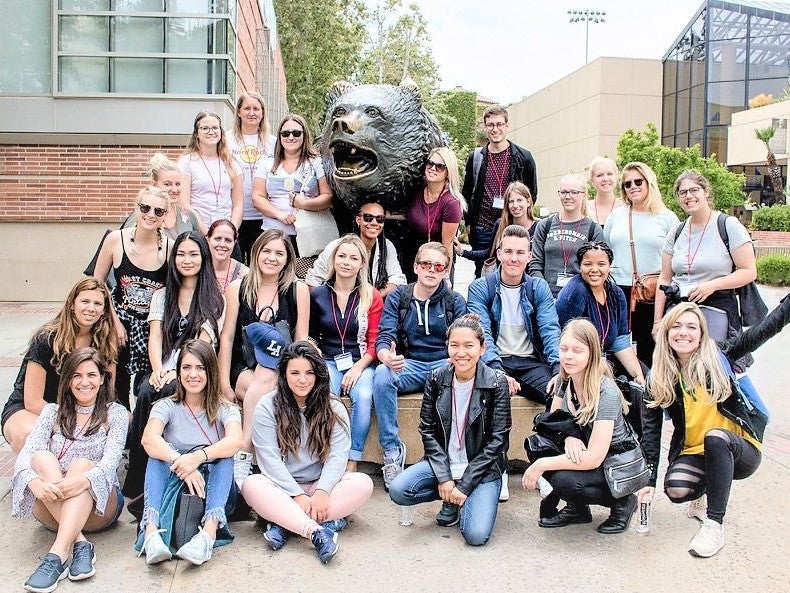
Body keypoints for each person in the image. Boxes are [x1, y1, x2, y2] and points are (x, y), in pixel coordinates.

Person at [642, 302, 762, 557]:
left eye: (691, 327)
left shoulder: (720, 357)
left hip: (740, 450)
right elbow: (651, 434)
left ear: (701, 333)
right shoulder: (660, 376)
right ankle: (704, 494)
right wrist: (648, 481)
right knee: (676, 489)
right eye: (676, 326)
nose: (683, 332)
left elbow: (762, 331)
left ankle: (714, 525)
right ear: (666, 332)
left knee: (715, 437)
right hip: (696, 450)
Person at [242, 342, 374, 564]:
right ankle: (318, 532)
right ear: (284, 374)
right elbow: (269, 460)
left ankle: (284, 523)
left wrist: (322, 492)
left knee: (363, 483)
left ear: (319, 375)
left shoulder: (334, 407)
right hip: (282, 488)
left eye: (309, 373)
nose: (302, 380)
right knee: (251, 485)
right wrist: (297, 495)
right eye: (294, 373)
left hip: (320, 486)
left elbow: (338, 456)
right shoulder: (267, 406)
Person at [389, 314, 511, 546]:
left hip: (481, 468)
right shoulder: (436, 378)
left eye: (469, 345)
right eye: (454, 345)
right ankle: (450, 496)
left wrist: (464, 485)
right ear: (447, 347)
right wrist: (445, 478)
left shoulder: (496, 382)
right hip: (444, 462)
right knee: (399, 490)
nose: (461, 352)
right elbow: (427, 429)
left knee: (475, 536)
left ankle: (466, 498)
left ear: (482, 348)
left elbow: (498, 441)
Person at [123, 231, 225, 508]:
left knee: (162, 390)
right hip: (162, 367)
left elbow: (203, 345)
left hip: (194, 371)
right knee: (146, 389)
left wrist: (176, 373)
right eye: (181, 254)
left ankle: (153, 476)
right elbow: (154, 336)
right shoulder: (162, 295)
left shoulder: (215, 298)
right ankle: (138, 478)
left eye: (193, 254)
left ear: (203, 257)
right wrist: (157, 368)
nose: (187, 260)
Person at [12, 348, 127, 592]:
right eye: (76, 375)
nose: (84, 382)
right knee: (41, 457)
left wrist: (82, 481)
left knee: (81, 464)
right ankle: (80, 544)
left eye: (91, 375)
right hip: (52, 504)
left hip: (99, 507)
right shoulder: (50, 412)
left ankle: (56, 556)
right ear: (67, 380)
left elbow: (110, 462)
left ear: (102, 378)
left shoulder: (114, 413)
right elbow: (24, 458)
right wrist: (35, 483)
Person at [522, 319, 638, 535]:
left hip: (614, 460)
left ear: (592, 353)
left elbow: (595, 456)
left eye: (577, 350)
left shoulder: (606, 392)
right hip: (583, 447)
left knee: (564, 481)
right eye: (564, 349)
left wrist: (542, 465)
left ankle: (623, 501)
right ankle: (578, 509)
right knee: (537, 445)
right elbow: (552, 423)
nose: (568, 356)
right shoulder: (564, 379)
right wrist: (569, 437)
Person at [137, 340, 243, 566]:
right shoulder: (165, 406)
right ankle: (151, 534)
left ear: (210, 371)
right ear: (178, 372)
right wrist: (181, 463)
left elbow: (236, 440)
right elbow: (149, 438)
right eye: (186, 368)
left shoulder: (226, 409)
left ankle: (208, 535)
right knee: (156, 457)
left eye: (200, 368)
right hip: (178, 484)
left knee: (224, 458)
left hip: (215, 489)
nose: (192, 374)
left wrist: (197, 458)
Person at [218, 229, 309, 487]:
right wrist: (224, 383)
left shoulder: (298, 290)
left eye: (279, 252)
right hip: (242, 365)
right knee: (263, 377)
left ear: (288, 258)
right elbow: (226, 338)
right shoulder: (238, 288)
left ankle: (243, 448)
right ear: (255, 253)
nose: (272, 257)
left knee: (267, 372)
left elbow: (301, 339)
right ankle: (272, 462)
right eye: (266, 251)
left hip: (283, 366)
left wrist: (300, 376)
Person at [372, 242, 467, 488]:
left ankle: (455, 455)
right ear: (415, 267)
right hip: (410, 364)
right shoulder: (399, 297)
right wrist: (386, 356)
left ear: (446, 271)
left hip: (444, 364)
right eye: (426, 264)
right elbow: (385, 335)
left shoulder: (454, 301)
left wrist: (455, 358)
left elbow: (464, 339)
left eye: (438, 266)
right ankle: (392, 453)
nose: (431, 270)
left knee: (466, 376)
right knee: (382, 374)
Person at [2, 278, 117, 454]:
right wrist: (67, 422)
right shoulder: (47, 339)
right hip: (33, 409)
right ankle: (34, 479)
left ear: (104, 310)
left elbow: (106, 394)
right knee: (29, 434)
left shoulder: (106, 342)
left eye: (97, 303)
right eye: (85, 301)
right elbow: (32, 401)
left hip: (81, 409)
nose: (91, 308)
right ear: (72, 304)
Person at [93, 186, 172, 408]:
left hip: (152, 326)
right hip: (119, 320)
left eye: (158, 211)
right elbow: (97, 285)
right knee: (115, 385)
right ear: (136, 208)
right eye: (145, 207)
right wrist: (114, 322)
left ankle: (142, 428)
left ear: (165, 216)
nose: (150, 215)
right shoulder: (114, 240)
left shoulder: (170, 248)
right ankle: (118, 423)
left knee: (148, 386)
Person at [309, 235, 383, 470]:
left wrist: (358, 368)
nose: (346, 262)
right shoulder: (317, 294)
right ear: (333, 259)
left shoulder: (371, 295)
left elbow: (374, 341)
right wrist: (317, 357)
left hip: (362, 361)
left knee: (363, 397)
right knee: (324, 397)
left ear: (362, 262)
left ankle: (353, 458)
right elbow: (309, 334)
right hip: (328, 360)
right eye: (342, 256)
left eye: (353, 258)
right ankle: (328, 454)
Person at [467, 224, 561, 405]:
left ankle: (543, 434)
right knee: (491, 396)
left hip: (530, 362)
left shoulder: (538, 288)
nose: (514, 258)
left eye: (520, 252)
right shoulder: (481, 288)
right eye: (508, 252)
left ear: (529, 256)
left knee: (558, 395)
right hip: (495, 361)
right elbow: (482, 333)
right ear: (499, 253)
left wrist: (558, 369)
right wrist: (496, 370)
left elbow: (550, 329)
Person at [654, 170, 756, 334]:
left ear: (706, 191)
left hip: (716, 310)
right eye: (683, 192)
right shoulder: (676, 232)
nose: (688, 196)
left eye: (694, 190)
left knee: (713, 358)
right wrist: (658, 321)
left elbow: (748, 272)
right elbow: (665, 278)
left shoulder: (728, 225)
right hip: (679, 311)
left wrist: (712, 285)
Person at [604, 161, 679, 365]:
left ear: (649, 183)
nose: (633, 187)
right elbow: (606, 251)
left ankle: (650, 391)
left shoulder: (666, 217)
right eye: (627, 184)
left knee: (650, 348)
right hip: (618, 290)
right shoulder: (617, 216)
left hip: (652, 294)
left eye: (638, 181)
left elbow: (676, 260)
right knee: (617, 346)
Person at [462, 104, 539, 278]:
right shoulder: (476, 157)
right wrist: (468, 223)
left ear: (507, 125)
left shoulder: (523, 157)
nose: (495, 129)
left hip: (513, 226)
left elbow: (531, 193)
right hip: (482, 227)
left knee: (514, 273)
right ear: (485, 127)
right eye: (490, 125)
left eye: (499, 124)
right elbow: (466, 192)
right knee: (483, 273)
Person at [556, 241, 645, 386]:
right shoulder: (575, 291)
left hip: (608, 358)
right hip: (580, 362)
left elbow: (620, 341)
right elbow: (562, 339)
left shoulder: (616, 294)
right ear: (580, 266)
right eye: (588, 264)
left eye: (601, 264)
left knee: (647, 381)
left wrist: (638, 374)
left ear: (609, 266)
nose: (594, 269)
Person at [252, 114, 333, 254]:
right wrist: (279, 215)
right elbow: (257, 198)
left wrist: (304, 204)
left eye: (296, 133)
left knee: (302, 274)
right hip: (272, 234)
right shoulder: (266, 163)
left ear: (304, 135)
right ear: (279, 136)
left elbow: (328, 197)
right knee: (274, 272)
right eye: (285, 133)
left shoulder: (316, 163)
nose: (290, 137)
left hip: (307, 236)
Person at [305, 201, 406, 298]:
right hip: (338, 305)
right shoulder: (338, 245)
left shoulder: (386, 246)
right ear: (358, 220)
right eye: (368, 218)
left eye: (380, 219)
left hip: (372, 306)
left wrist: (374, 297)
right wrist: (327, 306)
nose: (374, 222)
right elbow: (313, 279)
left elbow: (397, 279)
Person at [529, 174, 604, 298]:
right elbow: (535, 263)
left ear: (584, 194)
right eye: (564, 192)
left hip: (579, 297)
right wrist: (543, 292)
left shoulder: (593, 229)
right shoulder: (544, 226)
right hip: (547, 297)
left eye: (574, 192)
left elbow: (598, 268)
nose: (568, 196)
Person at [227, 92, 277, 263]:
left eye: (256, 108)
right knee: (236, 265)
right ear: (238, 112)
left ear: (262, 113)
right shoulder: (226, 140)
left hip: (264, 216)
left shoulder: (273, 143)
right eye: (247, 108)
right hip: (234, 215)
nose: (251, 113)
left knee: (260, 264)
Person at [403, 147, 465, 280]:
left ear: (448, 172)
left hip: (437, 263)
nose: (432, 168)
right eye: (430, 163)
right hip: (412, 257)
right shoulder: (417, 187)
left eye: (440, 167)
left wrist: (445, 277)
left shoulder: (451, 202)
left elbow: (447, 244)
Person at [179, 111, 243, 232]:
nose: (211, 131)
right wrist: (207, 234)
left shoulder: (232, 164)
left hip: (226, 233)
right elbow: (185, 204)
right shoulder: (187, 163)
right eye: (205, 128)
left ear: (221, 132)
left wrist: (231, 231)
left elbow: (238, 205)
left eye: (215, 127)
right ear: (196, 133)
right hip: (198, 232)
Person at [457, 181, 538, 268]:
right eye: (511, 201)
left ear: (528, 202)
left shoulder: (539, 227)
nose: (515, 205)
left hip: (531, 278)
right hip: (504, 278)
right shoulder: (501, 225)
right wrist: (463, 252)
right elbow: (490, 253)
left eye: (519, 200)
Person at [123, 153, 204, 239]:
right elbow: (125, 243)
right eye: (167, 184)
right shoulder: (143, 213)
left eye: (177, 184)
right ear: (154, 184)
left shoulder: (189, 216)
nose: (174, 190)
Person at [207, 219, 249, 295]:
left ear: (234, 243)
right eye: (217, 239)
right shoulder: (197, 268)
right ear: (208, 239)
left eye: (228, 240)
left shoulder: (245, 274)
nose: (222, 244)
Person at [586, 156, 621, 228]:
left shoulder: (626, 207)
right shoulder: (584, 208)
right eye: (600, 175)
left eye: (610, 174)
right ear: (592, 180)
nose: (605, 179)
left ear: (616, 177)